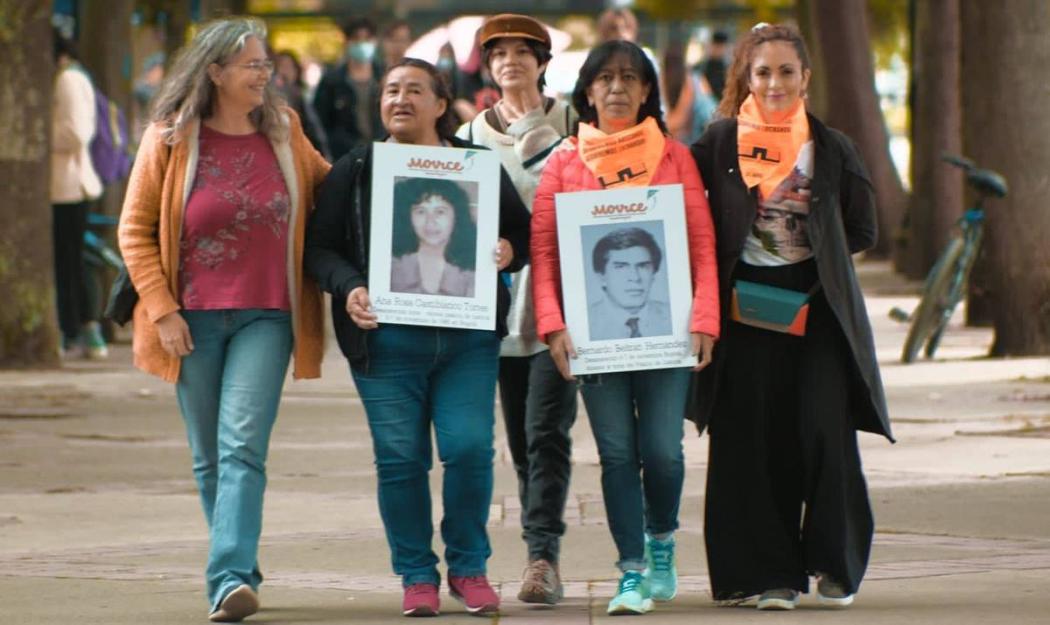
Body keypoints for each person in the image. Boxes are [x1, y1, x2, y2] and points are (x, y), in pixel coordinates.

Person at [116, 17, 331, 622]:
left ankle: (228, 576)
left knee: (241, 447)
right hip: (191, 321)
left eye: (266, 65)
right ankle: (237, 567)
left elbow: (335, 194)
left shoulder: (285, 132)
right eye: (254, 65)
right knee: (208, 456)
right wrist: (161, 311)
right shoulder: (168, 140)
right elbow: (133, 232)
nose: (267, 74)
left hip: (268, 313)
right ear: (215, 72)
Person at [304, 58, 531, 617]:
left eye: (414, 90)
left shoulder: (477, 167)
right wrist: (350, 284)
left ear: (440, 104)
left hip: (467, 343)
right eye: (390, 90)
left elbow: (520, 232)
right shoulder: (356, 169)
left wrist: (507, 250)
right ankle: (415, 575)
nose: (400, 99)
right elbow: (319, 250)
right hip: (384, 344)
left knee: (470, 450)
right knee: (401, 460)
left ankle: (469, 567)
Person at [689, 23, 894, 611]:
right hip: (741, 308)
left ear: (805, 77)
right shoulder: (719, 143)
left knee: (824, 431)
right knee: (752, 436)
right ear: (746, 79)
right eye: (762, 72)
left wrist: (815, 260)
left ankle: (836, 562)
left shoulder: (831, 147)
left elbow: (863, 228)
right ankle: (767, 574)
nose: (774, 82)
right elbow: (687, 211)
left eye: (785, 71)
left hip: (819, 307)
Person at [531, 40, 719, 615]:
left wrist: (705, 317)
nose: (617, 88)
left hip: (668, 335)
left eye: (630, 79)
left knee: (662, 451)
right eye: (605, 78)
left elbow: (702, 244)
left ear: (646, 92)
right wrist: (553, 325)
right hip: (593, 341)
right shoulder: (564, 160)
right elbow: (544, 253)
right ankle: (631, 571)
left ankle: (662, 540)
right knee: (616, 454)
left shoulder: (675, 157)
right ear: (587, 90)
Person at [454, 13, 578, 605]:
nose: (510, 61)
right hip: (497, 315)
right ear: (488, 66)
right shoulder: (468, 139)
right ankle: (539, 547)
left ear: (542, 61)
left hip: (562, 311)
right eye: (497, 52)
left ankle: (542, 557)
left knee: (546, 430)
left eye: (522, 52)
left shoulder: (575, 124)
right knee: (520, 437)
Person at [51, 30, 107, 359]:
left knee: (68, 261)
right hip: (65, 185)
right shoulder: (70, 77)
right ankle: (82, 328)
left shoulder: (68, 80)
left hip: (68, 186)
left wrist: (36, 133)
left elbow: (75, 133)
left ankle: (77, 328)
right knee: (70, 260)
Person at [389, 177, 476, 297]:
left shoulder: (475, 269)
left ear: (457, 216)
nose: (430, 222)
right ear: (407, 216)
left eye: (440, 212)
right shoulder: (390, 265)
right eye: (421, 212)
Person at [313, 17, 383, 160]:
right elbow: (318, 122)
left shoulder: (385, 77)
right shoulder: (332, 81)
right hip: (344, 156)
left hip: (380, 154)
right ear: (347, 42)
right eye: (356, 38)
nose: (362, 44)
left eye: (367, 39)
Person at [587, 227, 672, 341]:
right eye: (621, 267)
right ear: (601, 276)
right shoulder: (584, 323)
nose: (635, 277)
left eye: (643, 266)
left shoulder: (675, 317)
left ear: (654, 274)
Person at [273, 49, 331, 160]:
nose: (286, 71)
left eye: (289, 67)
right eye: (282, 66)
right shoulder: (270, 96)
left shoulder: (301, 96)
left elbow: (315, 130)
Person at [698, 30, 730, 102]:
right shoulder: (701, 68)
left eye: (722, 47)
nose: (719, 50)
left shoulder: (728, 69)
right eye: (717, 46)